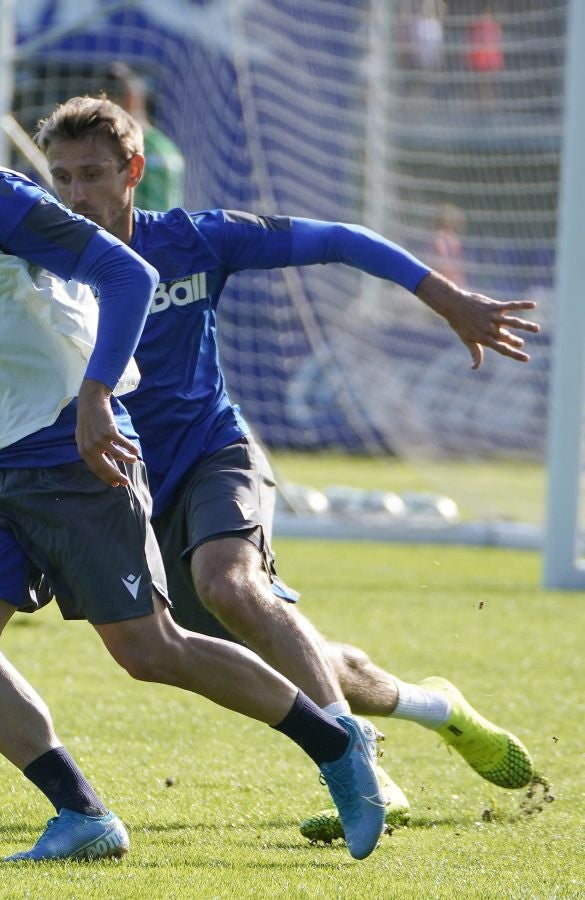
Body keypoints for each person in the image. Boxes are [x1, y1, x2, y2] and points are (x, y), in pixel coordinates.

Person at [0, 56, 387, 862]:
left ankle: (337, 745)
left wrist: (96, 396)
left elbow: (125, 271)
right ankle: (82, 815)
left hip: (66, 454)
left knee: (149, 652)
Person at [33, 94, 539, 844]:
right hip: (133, 494)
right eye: (61, 178)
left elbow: (339, 238)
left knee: (228, 583)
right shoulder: (42, 269)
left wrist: (443, 296)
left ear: (133, 170)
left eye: (92, 175)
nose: (76, 195)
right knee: (285, 650)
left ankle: (361, 772)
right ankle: (438, 709)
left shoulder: (196, 241)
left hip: (216, 454)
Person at [104, 62, 185, 212]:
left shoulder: (122, 149)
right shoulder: (164, 145)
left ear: (129, 98)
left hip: (141, 233)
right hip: (170, 232)